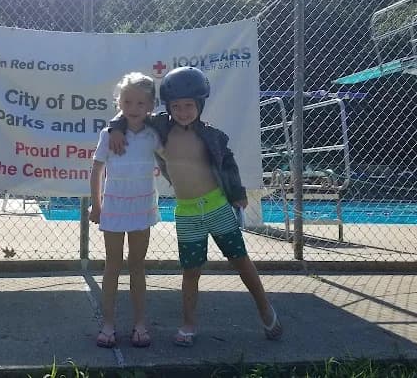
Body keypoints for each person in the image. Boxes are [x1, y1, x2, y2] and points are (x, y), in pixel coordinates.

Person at [107, 66, 282, 347]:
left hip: (217, 207)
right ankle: (188, 323)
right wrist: (115, 127)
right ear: (167, 107)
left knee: (240, 259)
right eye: (176, 106)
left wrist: (237, 192)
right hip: (186, 212)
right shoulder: (160, 127)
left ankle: (265, 308)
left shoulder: (213, 136)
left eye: (189, 105)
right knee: (190, 271)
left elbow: (228, 163)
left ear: (200, 104)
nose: (183, 111)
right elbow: (130, 114)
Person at [90, 72, 162, 348]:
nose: (133, 109)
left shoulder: (154, 133)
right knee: (112, 265)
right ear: (119, 102)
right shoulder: (109, 134)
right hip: (114, 207)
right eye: (127, 102)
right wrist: (97, 204)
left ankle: (139, 324)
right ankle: (108, 324)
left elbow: (174, 144)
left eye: (140, 104)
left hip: (142, 207)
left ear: (150, 105)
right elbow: (96, 169)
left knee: (137, 266)